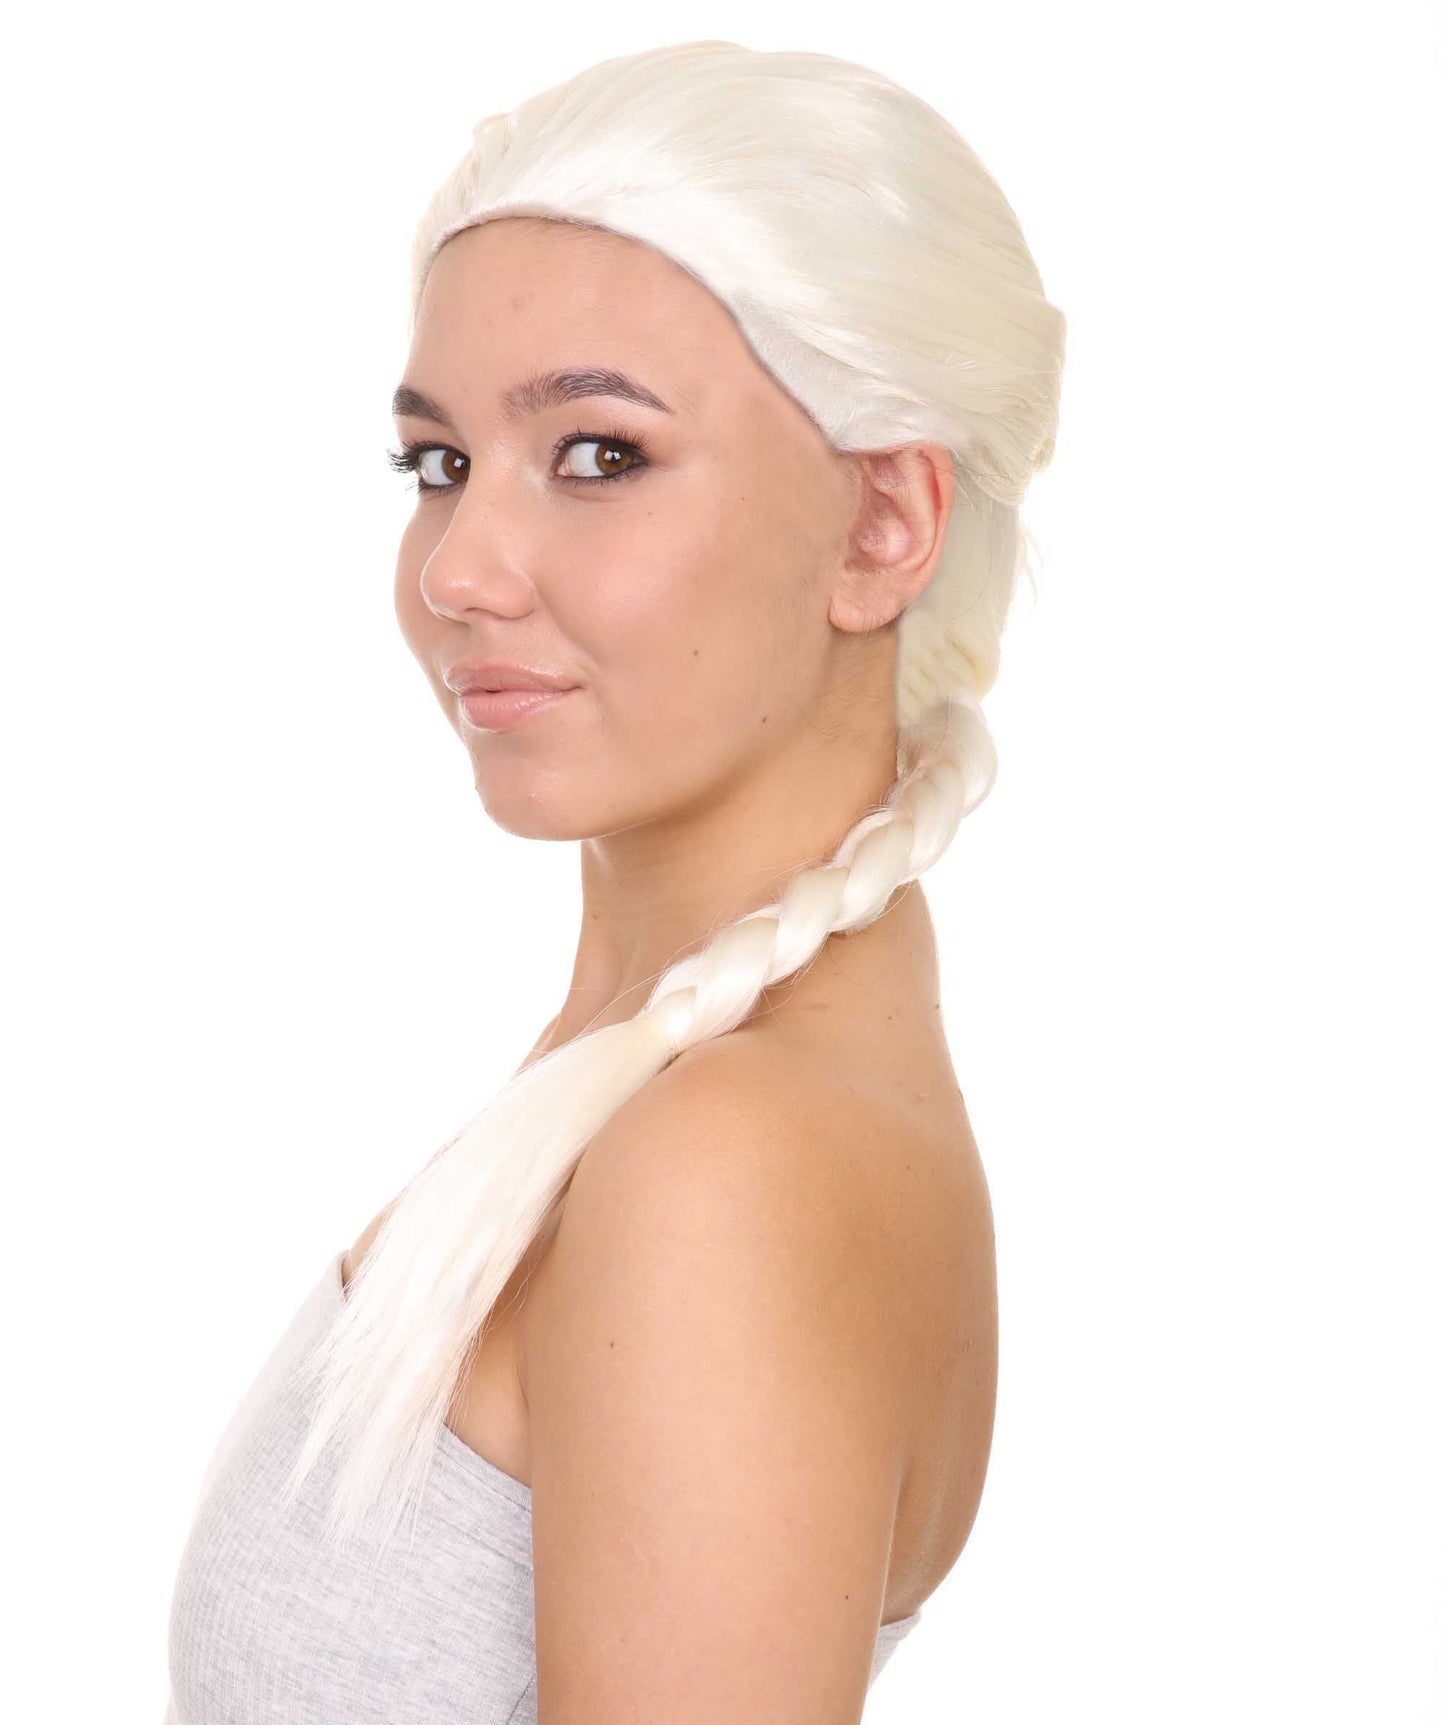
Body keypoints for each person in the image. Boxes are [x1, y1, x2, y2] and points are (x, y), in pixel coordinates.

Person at [163, 38, 1065, 1725]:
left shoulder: (728, 1163)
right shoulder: (666, 1081)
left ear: (883, 523)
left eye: (597, 454)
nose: (459, 567)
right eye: (438, 463)